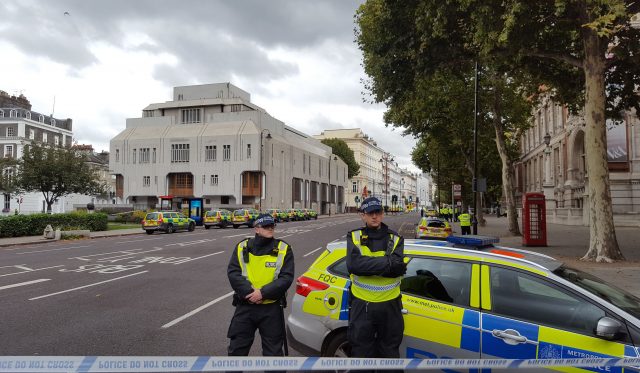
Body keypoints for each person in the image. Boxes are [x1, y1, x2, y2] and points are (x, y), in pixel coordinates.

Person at [346, 196, 407, 368]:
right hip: (362, 305)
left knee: (389, 356)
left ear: (382, 214)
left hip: (390, 306)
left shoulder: (395, 238)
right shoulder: (354, 237)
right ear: (362, 215)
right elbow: (354, 265)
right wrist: (388, 264)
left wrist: (368, 265)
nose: (374, 216)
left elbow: (398, 268)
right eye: (370, 213)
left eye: (378, 212)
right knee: (361, 355)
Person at [227, 213, 294, 362]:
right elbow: (233, 273)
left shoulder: (284, 249)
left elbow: (286, 278)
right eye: (266, 226)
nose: (270, 228)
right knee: (237, 351)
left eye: (272, 225)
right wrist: (251, 293)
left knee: (274, 355)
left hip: (271, 309)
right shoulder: (242, 246)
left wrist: (262, 294)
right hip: (245, 306)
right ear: (256, 229)